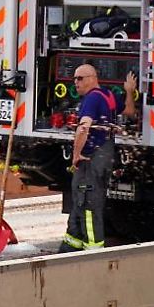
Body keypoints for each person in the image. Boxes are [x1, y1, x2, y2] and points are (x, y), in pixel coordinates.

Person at [59, 63, 119, 253]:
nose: (75, 83)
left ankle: (92, 251)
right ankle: (70, 245)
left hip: (90, 157)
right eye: (74, 78)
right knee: (80, 200)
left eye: (80, 78)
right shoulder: (108, 95)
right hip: (104, 153)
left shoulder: (91, 99)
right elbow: (128, 110)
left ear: (93, 78)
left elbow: (84, 127)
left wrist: (76, 155)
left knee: (87, 204)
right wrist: (129, 89)